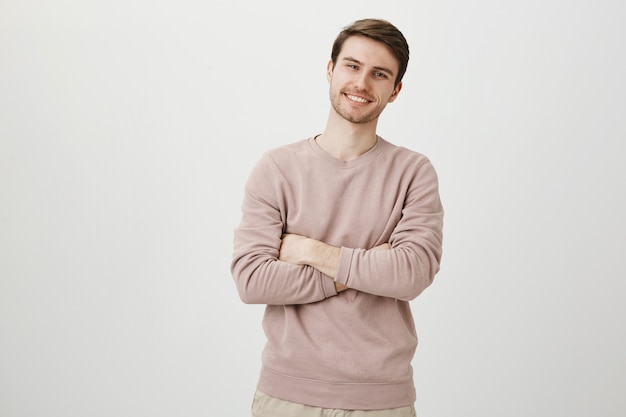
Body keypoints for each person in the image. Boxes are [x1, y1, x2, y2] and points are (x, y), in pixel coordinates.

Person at [231, 18, 443, 417]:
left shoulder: (414, 172)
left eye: (379, 74)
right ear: (330, 70)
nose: (362, 83)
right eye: (352, 66)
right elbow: (252, 279)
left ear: (395, 91)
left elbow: (412, 273)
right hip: (286, 397)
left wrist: (311, 250)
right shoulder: (276, 168)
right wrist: (368, 267)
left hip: (382, 402)